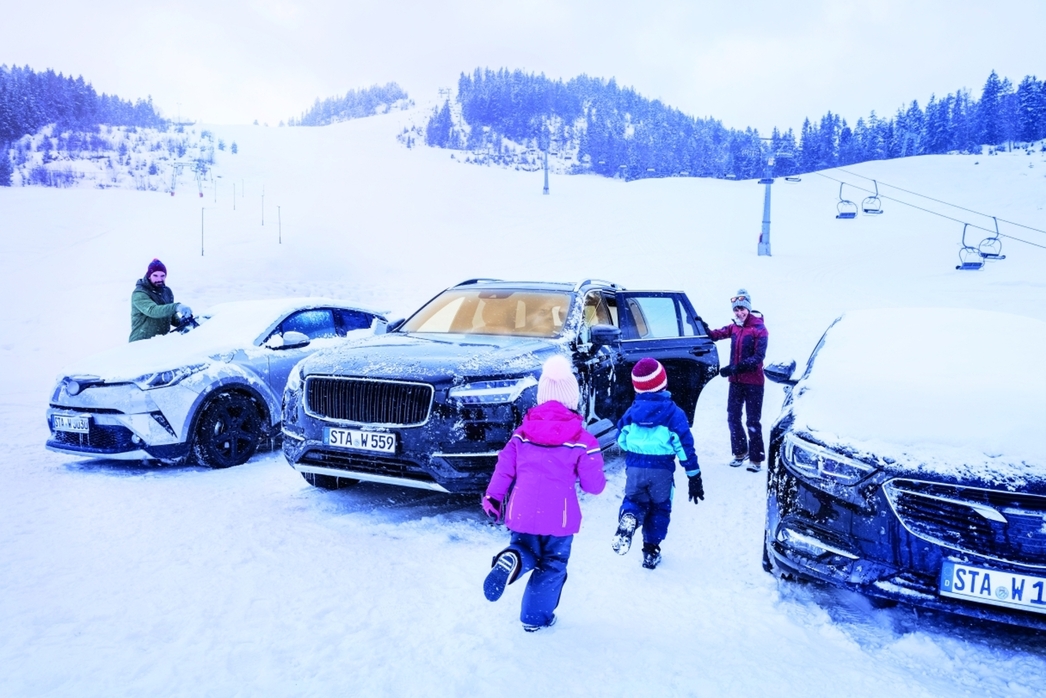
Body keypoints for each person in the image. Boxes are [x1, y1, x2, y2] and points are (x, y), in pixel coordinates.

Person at [481, 354, 606, 632]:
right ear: (573, 399)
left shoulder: (521, 434)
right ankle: (534, 618)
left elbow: (504, 469)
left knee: (525, 549)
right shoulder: (582, 440)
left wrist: (493, 498)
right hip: (559, 518)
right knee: (552, 564)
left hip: (521, 512)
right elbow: (593, 486)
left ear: (541, 398)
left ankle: (512, 559)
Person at [611, 358, 704, 570]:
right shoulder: (673, 413)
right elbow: (684, 447)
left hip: (635, 468)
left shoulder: (631, 412)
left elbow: (621, 439)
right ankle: (651, 550)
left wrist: (637, 447)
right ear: (663, 383)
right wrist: (694, 476)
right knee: (660, 508)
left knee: (634, 499)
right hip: (661, 470)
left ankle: (630, 516)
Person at [708, 288, 769, 472]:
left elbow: (758, 357)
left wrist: (735, 367)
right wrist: (700, 326)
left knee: (752, 421)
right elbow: (716, 334)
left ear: (748, 308)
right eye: (736, 309)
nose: (739, 313)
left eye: (742, 309)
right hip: (735, 382)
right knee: (733, 417)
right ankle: (740, 452)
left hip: (754, 382)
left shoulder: (759, 329)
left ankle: (756, 459)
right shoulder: (734, 327)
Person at [129, 258, 191, 342]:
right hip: (141, 342)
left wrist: (182, 322)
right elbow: (153, 310)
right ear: (149, 275)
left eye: (162, 276)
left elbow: (170, 315)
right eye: (155, 275)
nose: (159, 279)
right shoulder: (139, 294)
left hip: (160, 342)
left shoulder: (167, 291)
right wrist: (176, 307)